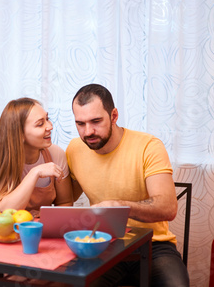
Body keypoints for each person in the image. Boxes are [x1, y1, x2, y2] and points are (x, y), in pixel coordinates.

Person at [66, 84, 189, 287]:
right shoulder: (74, 149)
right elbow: (64, 200)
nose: (88, 131)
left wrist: (119, 207)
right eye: (80, 123)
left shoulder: (148, 146)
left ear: (114, 116)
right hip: (104, 244)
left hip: (153, 245)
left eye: (96, 121)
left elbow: (168, 207)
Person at [0, 98, 73, 215]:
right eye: (40, 124)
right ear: (20, 134)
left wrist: (47, 221)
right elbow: (5, 210)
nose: (50, 127)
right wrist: (34, 173)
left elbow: (65, 202)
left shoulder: (55, 154)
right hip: (5, 229)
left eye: (47, 119)